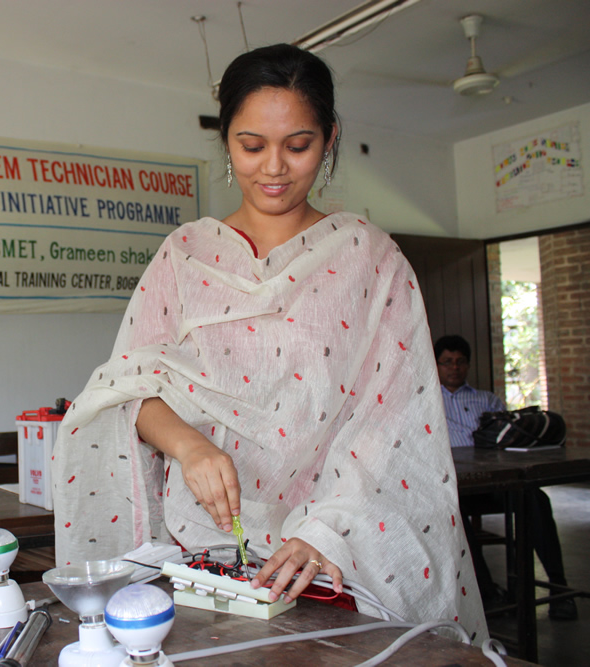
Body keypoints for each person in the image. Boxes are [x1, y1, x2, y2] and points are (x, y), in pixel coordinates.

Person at [51, 43, 486, 640]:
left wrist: (324, 530)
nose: (274, 167)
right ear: (227, 140)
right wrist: (190, 447)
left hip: (328, 556)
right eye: (251, 145)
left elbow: (392, 421)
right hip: (201, 546)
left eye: (298, 145)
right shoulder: (184, 256)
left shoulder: (370, 260)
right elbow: (127, 389)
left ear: (329, 139)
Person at [435, 334, 577, 620]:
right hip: (458, 488)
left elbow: (506, 440)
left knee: (534, 498)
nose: (454, 368)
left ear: (468, 364)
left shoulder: (487, 400)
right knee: (452, 512)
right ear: (436, 365)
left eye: (460, 361)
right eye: (447, 362)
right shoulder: (428, 399)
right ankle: (488, 592)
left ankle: (558, 588)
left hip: (495, 481)